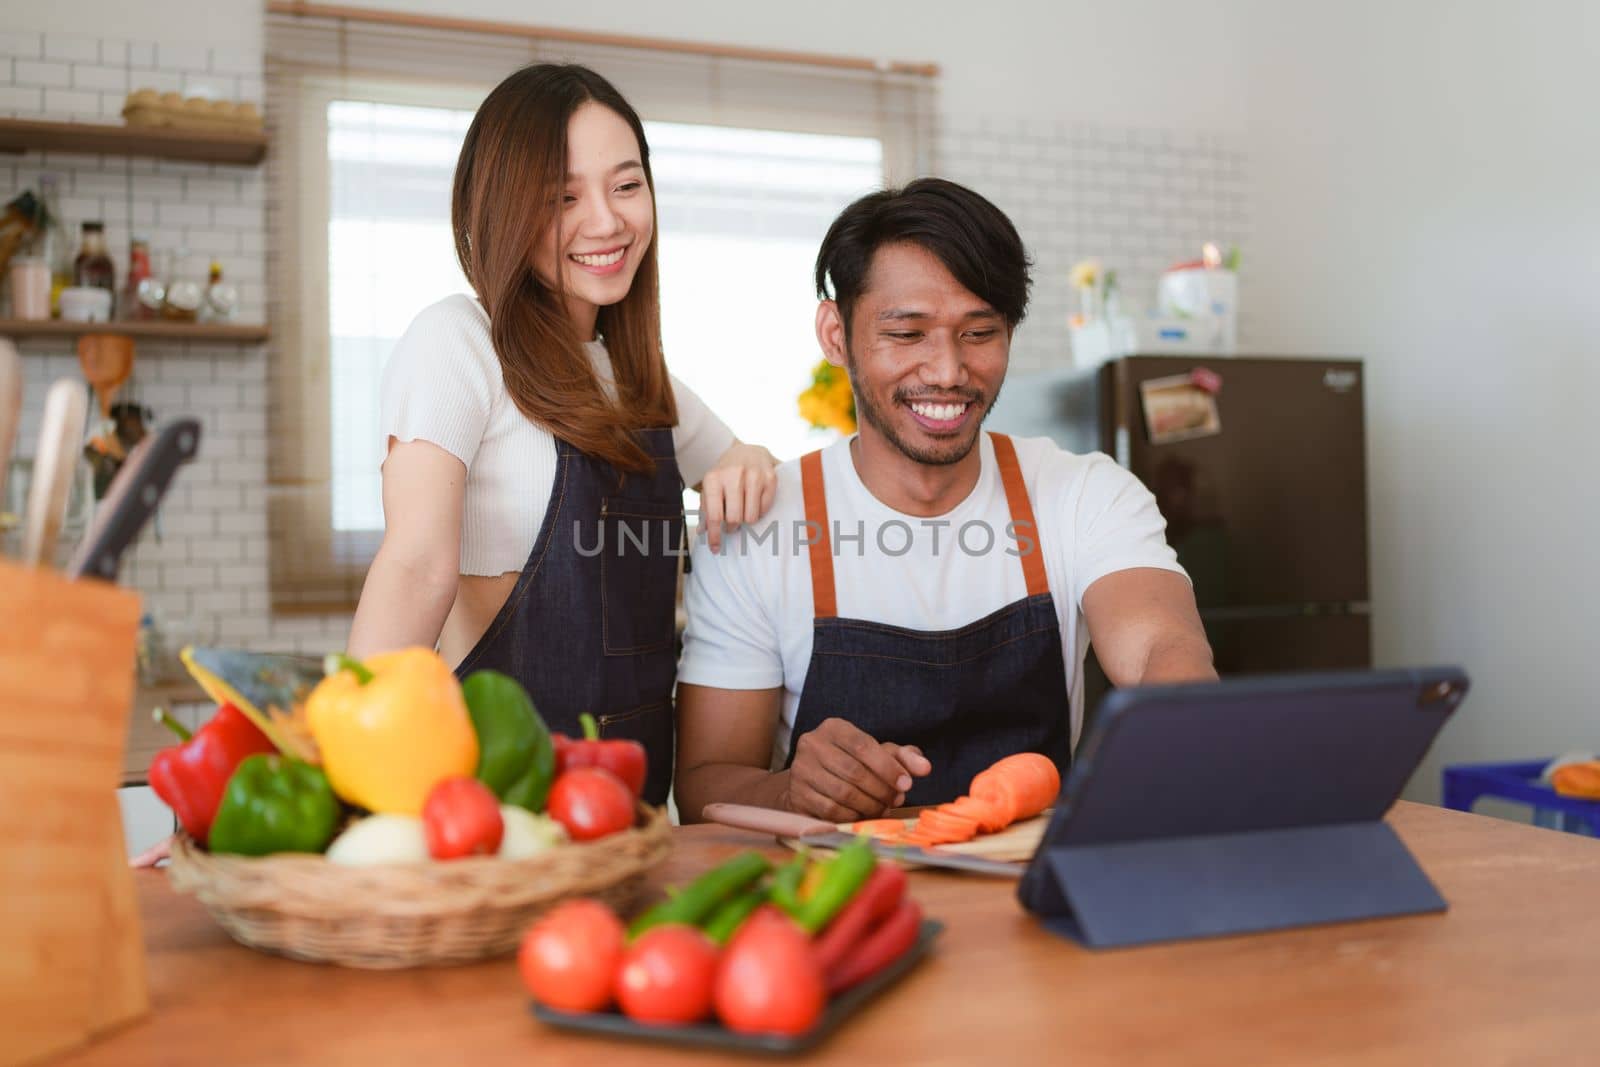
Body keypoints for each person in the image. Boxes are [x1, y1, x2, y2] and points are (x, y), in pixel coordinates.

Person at [674, 178, 1217, 822]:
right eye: (907, 334)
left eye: (979, 332)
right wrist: (792, 790)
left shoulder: (1085, 494)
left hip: (1034, 889)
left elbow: (1163, 647)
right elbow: (705, 781)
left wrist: (1181, 727)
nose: (947, 371)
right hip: (846, 898)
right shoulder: (762, 527)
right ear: (835, 334)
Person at [347, 64, 777, 805]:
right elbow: (416, 566)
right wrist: (337, 772)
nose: (606, 221)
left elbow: (736, 459)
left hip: (632, 812)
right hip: (491, 803)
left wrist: (751, 460)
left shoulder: (642, 376)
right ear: (501, 208)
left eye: (626, 185)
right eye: (562, 197)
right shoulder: (459, 342)